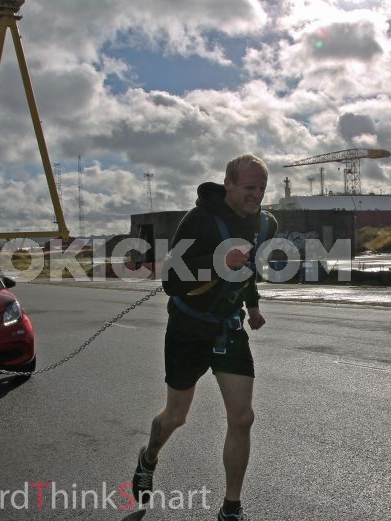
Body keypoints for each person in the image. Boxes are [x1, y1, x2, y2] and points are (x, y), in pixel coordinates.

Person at [131, 154, 278, 520]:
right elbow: (171, 280)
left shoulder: (264, 223)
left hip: (228, 328)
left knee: (242, 418)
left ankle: (231, 508)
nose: (257, 194)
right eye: (249, 187)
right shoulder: (198, 220)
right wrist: (216, 264)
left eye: (262, 188)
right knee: (177, 415)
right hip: (188, 329)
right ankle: (149, 457)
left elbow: (247, 269)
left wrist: (253, 305)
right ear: (228, 183)